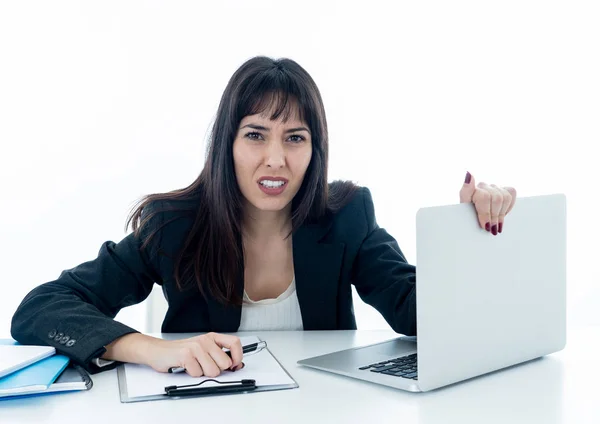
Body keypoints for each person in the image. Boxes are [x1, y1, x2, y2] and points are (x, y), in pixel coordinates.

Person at [10, 56, 517, 379]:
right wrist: (150, 349)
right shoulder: (173, 225)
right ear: (227, 144)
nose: (275, 158)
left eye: (295, 138)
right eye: (256, 134)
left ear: (315, 150)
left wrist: (470, 236)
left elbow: (418, 314)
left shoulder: (347, 217)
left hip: (323, 412)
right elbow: (39, 308)